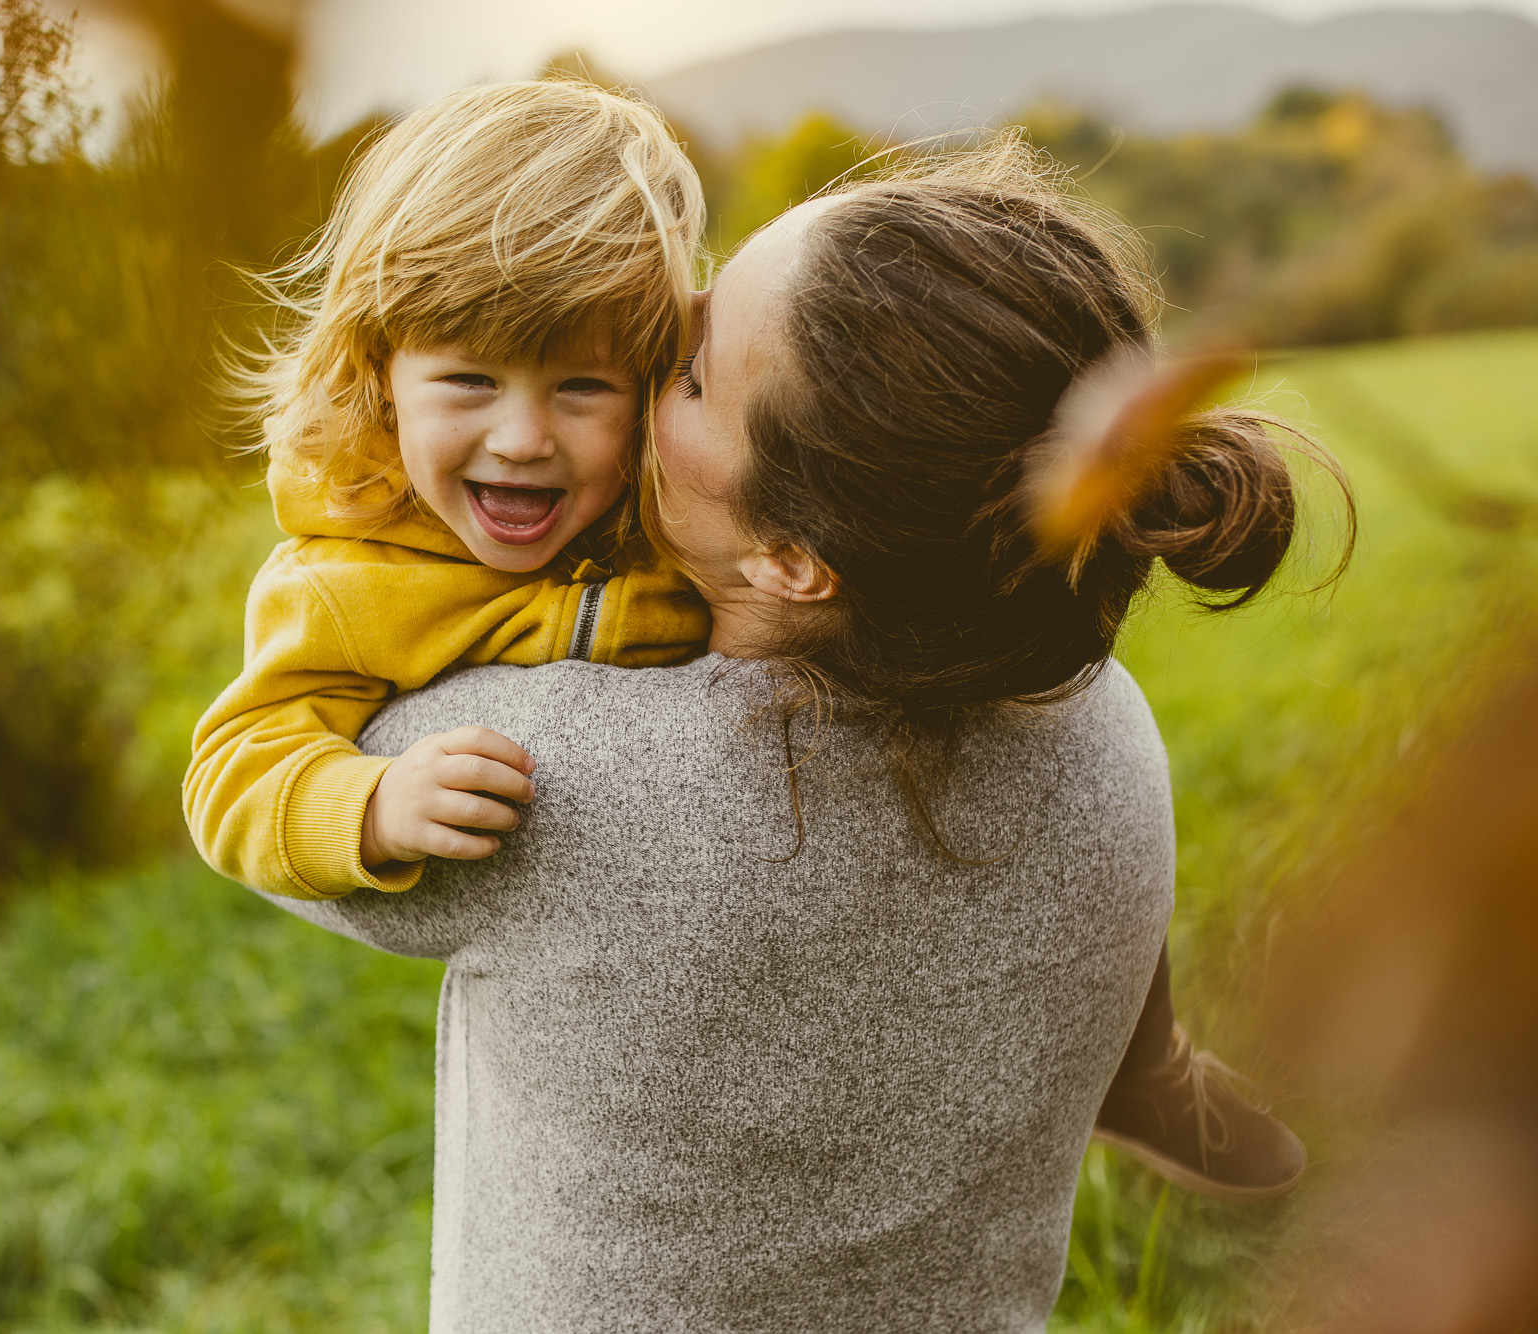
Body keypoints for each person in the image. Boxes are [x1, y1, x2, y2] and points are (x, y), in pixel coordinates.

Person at [249, 136, 1348, 1330]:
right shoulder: (1098, 719)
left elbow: (290, 797)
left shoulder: (539, 772)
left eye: (681, 372)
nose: (644, 358)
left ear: (786, 555)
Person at [183, 80, 707, 903]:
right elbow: (231, 773)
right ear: (378, 373)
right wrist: (372, 806)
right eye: (469, 380)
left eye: (582, 387)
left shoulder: (680, 508)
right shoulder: (346, 581)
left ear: (649, 387)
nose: (523, 440)